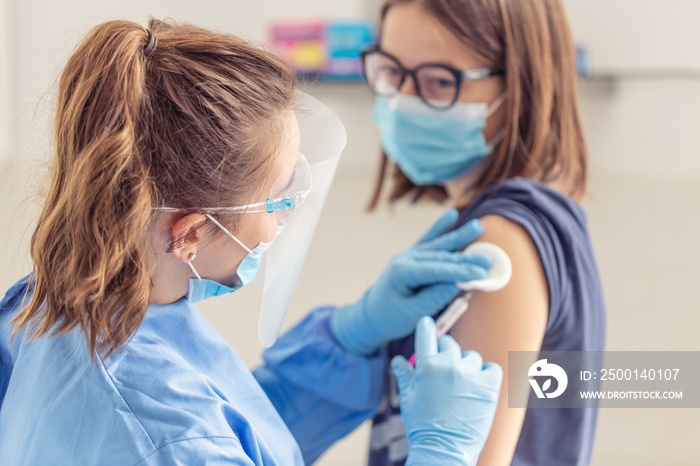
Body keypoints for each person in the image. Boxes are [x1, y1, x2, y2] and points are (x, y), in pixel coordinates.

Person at [0, 19, 504, 465]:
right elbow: (194, 439)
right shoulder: (170, 440)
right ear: (190, 234)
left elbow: (236, 430)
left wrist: (351, 337)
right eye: (278, 200)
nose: (278, 225)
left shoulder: (59, 302)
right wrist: (444, 451)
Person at [358, 0, 607, 465]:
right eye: (392, 71)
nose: (404, 101)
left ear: (520, 84)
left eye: (438, 81)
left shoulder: (498, 241)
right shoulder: (508, 223)